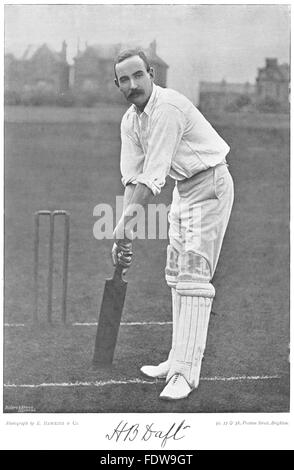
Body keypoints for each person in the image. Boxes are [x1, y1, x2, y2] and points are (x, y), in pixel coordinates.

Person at [111, 48, 234, 400]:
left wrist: (127, 225)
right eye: (124, 79)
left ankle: (185, 373)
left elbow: (153, 177)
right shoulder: (131, 121)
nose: (133, 84)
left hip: (209, 184)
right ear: (117, 84)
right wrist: (123, 227)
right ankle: (175, 358)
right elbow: (133, 178)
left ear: (151, 74)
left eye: (138, 75)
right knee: (175, 274)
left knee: (194, 277)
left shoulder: (165, 108)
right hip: (184, 189)